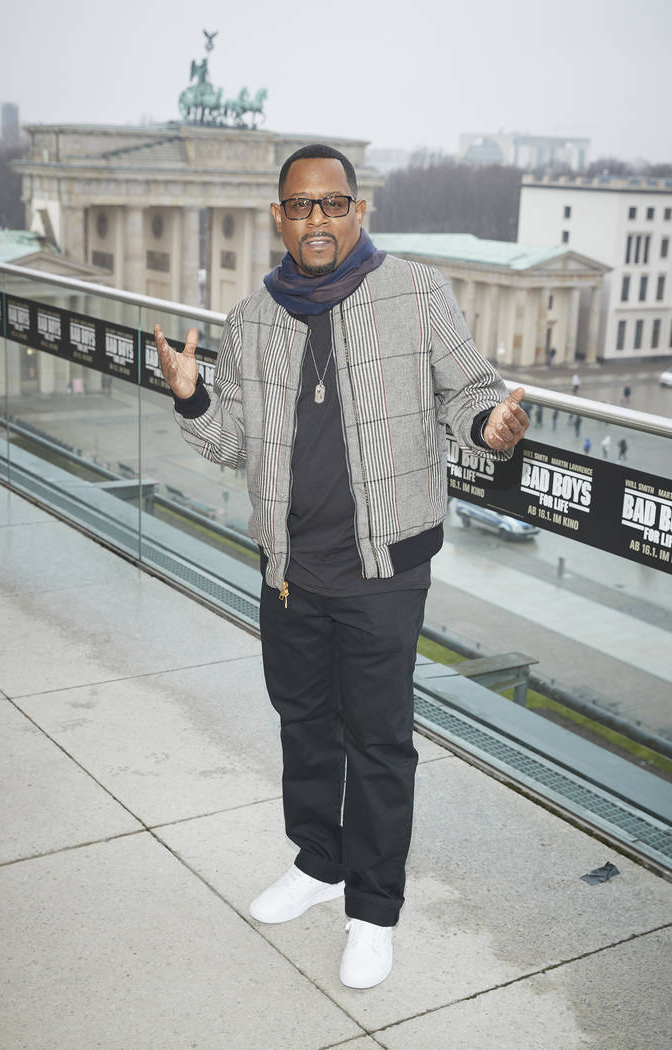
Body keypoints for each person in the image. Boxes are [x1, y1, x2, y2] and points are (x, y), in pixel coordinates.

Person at [155, 144, 529, 990]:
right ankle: (317, 865)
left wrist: (491, 429)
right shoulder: (252, 319)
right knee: (304, 726)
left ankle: (373, 910)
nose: (316, 220)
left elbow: (469, 390)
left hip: (384, 568)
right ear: (279, 217)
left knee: (381, 743)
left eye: (332, 204)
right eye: (300, 206)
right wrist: (191, 394)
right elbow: (230, 443)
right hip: (289, 566)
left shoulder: (417, 292)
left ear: (359, 210)